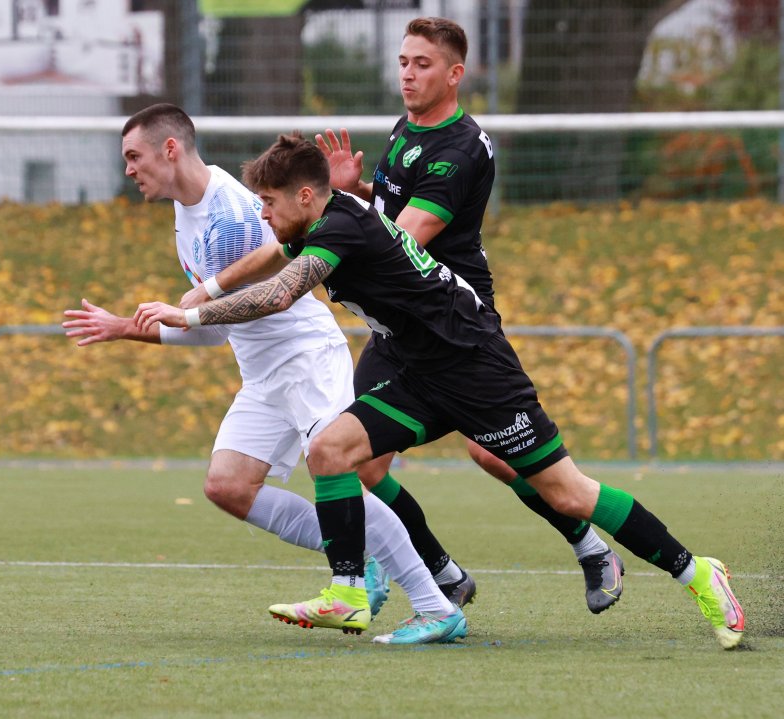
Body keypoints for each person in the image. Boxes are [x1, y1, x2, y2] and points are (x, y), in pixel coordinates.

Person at [135, 132, 745, 650]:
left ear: (303, 197)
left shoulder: (338, 224)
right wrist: (209, 288)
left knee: (568, 493)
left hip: (476, 368)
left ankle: (696, 572)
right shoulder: (317, 218)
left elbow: (277, 293)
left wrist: (185, 314)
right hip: (418, 372)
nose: (260, 213)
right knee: (332, 451)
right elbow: (272, 261)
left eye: (267, 202)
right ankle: (350, 589)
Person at [181, 16, 623, 616]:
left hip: (450, 317)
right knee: (353, 458)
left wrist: (337, 213)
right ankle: (443, 575)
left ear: (454, 74)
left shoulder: (462, 147)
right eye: (403, 62)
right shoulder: (405, 130)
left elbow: (398, 239)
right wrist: (356, 192)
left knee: (493, 455)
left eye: (421, 64)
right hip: (396, 327)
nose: (408, 75)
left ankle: (591, 545)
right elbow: (375, 222)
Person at [62, 103, 466, 644]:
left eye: (134, 156)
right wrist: (125, 327)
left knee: (338, 474)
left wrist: (195, 301)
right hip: (262, 373)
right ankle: (360, 556)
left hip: (305, 358)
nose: (129, 169)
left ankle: (435, 603)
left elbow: (275, 283)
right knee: (227, 485)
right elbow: (214, 329)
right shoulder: (188, 214)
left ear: (170, 149)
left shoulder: (232, 208)